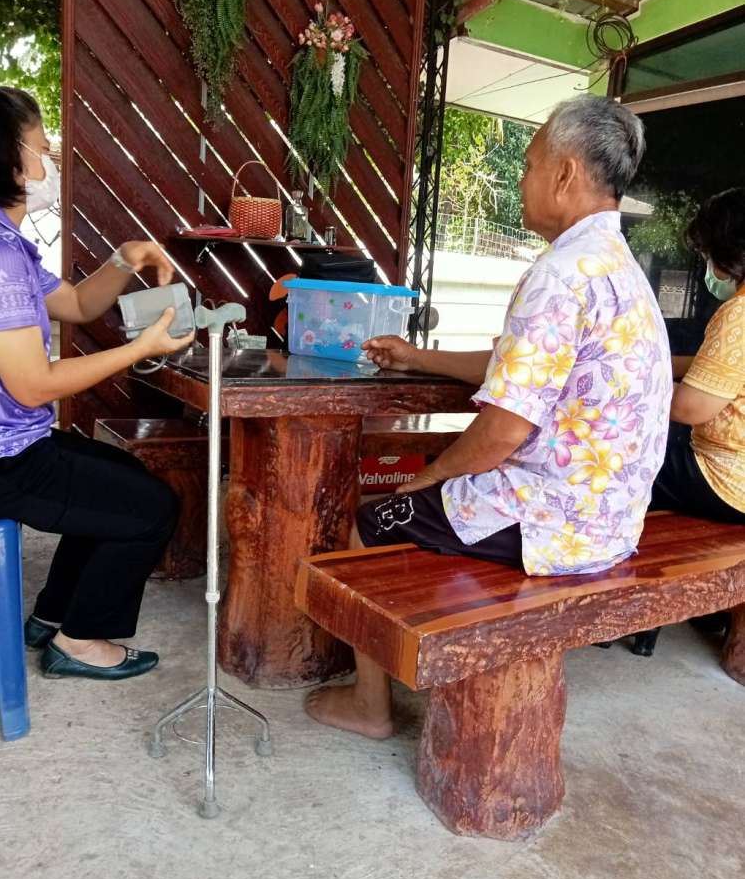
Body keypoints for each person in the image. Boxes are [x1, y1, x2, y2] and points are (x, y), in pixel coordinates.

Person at [305, 95, 673, 739]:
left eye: (529, 165)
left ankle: (369, 704)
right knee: (424, 498)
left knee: (369, 520)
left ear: (565, 173)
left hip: (551, 521)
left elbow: (504, 431)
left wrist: (426, 479)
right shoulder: (622, 270)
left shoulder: (560, 274)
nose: (522, 180)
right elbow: (523, 366)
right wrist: (417, 356)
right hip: (612, 520)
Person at [0, 87, 194, 680]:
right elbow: (33, 385)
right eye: (43, 146)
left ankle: (52, 614)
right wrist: (140, 349)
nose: (51, 158)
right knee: (153, 508)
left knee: (123, 475)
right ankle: (80, 641)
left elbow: (76, 305)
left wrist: (124, 259)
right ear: (10, 158)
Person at [631, 189, 745, 656]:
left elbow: (689, 408)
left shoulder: (738, 314)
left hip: (728, 480)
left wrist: (618, 389)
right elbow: (711, 366)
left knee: (623, 462)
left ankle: (629, 603)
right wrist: (652, 361)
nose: (707, 267)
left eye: (706, 255)